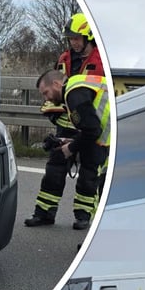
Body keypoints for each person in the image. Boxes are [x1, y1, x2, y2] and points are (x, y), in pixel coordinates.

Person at [24, 13, 106, 230]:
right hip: (66, 121)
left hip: (91, 126)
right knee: (54, 168)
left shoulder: (100, 60)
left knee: (89, 173)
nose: (74, 43)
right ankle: (44, 213)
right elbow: (54, 86)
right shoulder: (63, 59)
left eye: (77, 38)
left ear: (88, 36)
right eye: (70, 39)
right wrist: (51, 111)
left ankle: (83, 216)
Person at [34, 70, 111, 232]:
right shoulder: (77, 85)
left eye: (46, 93)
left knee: (92, 179)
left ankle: (95, 233)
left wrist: (71, 147)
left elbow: (92, 130)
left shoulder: (73, 94)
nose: (46, 99)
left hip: (104, 141)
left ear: (56, 84)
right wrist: (70, 141)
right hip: (103, 138)